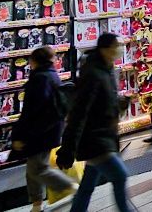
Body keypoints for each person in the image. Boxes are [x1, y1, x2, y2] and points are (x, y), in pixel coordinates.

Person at [57, 33, 132, 212]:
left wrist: (118, 103)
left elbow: (102, 100)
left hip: (104, 136)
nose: (120, 50)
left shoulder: (106, 69)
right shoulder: (93, 74)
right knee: (120, 176)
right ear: (105, 49)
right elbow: (79, 112)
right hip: (95, 139)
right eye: (116, 46)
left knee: (87, 185)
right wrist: (68, 149)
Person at [11, 46, 76, 212]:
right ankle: (37, 204)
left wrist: (19, 134)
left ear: (35, 61)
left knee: (38, 168)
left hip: (40, 131)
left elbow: (31, 110)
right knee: (33, 168)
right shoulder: (50, 75)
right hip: (48, 128)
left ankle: (70, 186)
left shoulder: (40, 79)